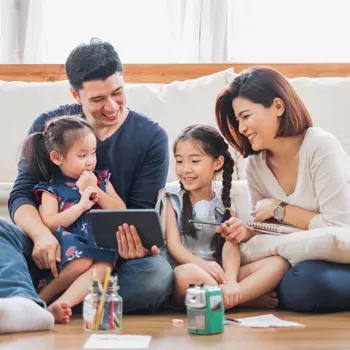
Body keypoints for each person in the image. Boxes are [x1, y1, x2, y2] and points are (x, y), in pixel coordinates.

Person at [0, 39, 173, 334]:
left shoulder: (151, 137)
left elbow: (138, 213)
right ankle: (31, 302)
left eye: (118, 93)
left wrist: (133, 244)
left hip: (107, 258)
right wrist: (42, 236)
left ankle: (36, 300)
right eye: (97, 99)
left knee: (156, 276)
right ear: (75, 94)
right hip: (51, 250)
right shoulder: (52, 125)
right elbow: (21, 194)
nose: (111, 106)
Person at [215, 66, 350, 312]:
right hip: (296, 259)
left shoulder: (320, 147)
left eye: (245, 116)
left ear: (278, 106)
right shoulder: (255, 165)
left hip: (338, 257)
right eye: (238, 120)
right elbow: (264, 231)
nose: (242, 128)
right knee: (293, 280)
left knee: (305, 284)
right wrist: (246, 232)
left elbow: (340, 231)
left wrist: (281, 210)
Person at [161, 124, 289, 309]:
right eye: (179, 161)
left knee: (278, 263)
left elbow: (231, 245)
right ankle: (244, 299)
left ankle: (227, 296)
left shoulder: (226, 197)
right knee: (187, 275)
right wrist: (202, 265)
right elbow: (173, 246)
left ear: (217, 163)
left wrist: (230, 280)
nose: (185, 169)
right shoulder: (171, 196)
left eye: (195, 161)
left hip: (219, 272)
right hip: (189, 271)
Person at [22, 115, 126, 323]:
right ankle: (39, 299)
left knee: (104, 269)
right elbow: (50, 222)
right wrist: (81, 207)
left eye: (93, 153)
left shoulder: (101, 179)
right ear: (57, 158)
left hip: (101, 241)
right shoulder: (52, 188)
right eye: (82, 155)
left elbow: (120, 209)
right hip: (71, 241)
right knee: (82, 261)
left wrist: (95, 188)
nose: (90, 160)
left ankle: (61, 305)